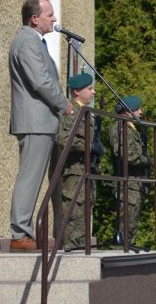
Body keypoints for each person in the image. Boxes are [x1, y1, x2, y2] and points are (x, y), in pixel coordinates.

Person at [8, 0, 73, 251]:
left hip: (41, 121)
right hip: (34, 122)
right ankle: (20, 233)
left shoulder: (35, 41)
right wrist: (64, 104)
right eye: (49, 14)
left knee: (36, 178)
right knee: (30, 177)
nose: (54, 19)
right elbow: (40, 81)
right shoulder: (26, 41)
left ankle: (27, 233)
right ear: (35, 18)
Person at [54, 73, 104, 251]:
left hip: (87, 170)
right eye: (89, 89)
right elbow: (64, 138)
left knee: (85, 211)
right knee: (75, 211)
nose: (93, 92)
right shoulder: (72, 111)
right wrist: (90, 145)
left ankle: (81, 246)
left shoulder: (86, 113)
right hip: (74, 172)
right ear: (76, 91)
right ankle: (72, 248)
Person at [108, 95, 151, 247]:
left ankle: (128, 247)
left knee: (131, 223)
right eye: (137, 109)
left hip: (134, 183)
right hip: (128, 183)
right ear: (127, 112)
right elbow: (128, 155)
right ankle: (122, 252)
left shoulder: (130, 128)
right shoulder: (121, 127)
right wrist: (147, 160)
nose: (141, 112)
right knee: (126, 224)